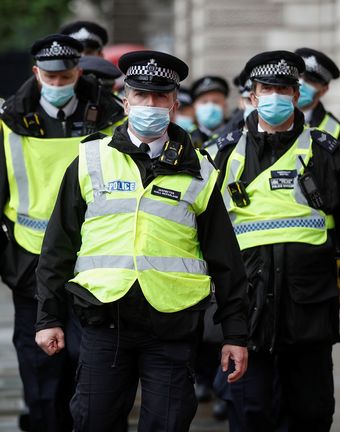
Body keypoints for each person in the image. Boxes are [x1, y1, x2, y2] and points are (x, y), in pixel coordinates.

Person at [34, 50, 250, 432]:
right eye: (140, 96)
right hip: (104, 320)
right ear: (125, 99)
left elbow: (225, 259)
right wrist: (49, 317)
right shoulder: (90, 159)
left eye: (158, 97)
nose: (149, 104)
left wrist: (234, 334)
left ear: (172, 102)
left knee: (167, 424)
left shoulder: (200, 170)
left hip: (172, 324)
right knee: (93, 422)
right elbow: (58, 245)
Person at [212, 50, 340, 431]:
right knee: (251, 410)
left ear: (296, 94)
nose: (275, 96)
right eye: (266, 89)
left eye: (283, 89)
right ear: (253, 96)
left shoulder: (323, 151)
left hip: (309, 303)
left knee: (311, 410)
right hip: (247, 304)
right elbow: (203, 228)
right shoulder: (225, 152)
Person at [0, 34, 125, 431]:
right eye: (50, 77)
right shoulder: (15, 119)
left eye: (66, 75)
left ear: (79, 72)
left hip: (95, 258)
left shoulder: (110, 114)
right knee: (39, 363)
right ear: (36, 74)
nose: (58, 84)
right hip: (31, 263)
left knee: (88, 360)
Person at [295, 47, 340, 148]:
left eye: (310, 80)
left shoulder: (333, 128)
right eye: (298, 76)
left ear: (324, 90)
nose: (301, 83)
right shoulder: (267, 114)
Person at [190, 75, 229, 156]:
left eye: (216, 101)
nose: (210, 106)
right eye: (204, 102)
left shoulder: (236, 135)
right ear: (195, 107)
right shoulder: (186, 139)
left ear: (225, 105)